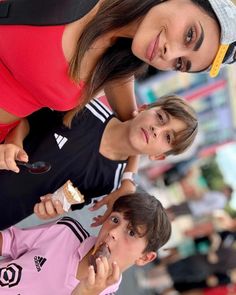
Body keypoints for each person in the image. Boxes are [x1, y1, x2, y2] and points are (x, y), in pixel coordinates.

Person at [0, 0, 236, 144]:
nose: (170, 53)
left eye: (180, 64)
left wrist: (128, 178)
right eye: (189, 35)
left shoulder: (116, 67)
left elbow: (133, 122)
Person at [0, 94, 198, 230]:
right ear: (143, 108)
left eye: (168, 138)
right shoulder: (86, 109)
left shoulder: (110, 183)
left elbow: (64, 201)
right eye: (161, 118)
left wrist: (52, 208)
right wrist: (13, 142)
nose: (157, 130)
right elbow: (27, 117)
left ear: (159, 157)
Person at [0, 191, 172, 295]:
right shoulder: (66, 231)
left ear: (145, 258)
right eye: (114, 219)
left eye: (132, 232)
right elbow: (10, 241)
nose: (112, 233)